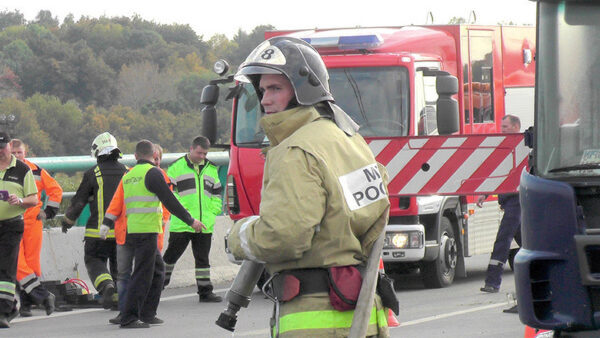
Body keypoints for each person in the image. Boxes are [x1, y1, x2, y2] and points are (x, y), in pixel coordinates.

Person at [226, 37, 391, 337]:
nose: (264, 100)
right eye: (262, 90)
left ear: (304, 89)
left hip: (314, 320)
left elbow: (284, 236)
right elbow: (373, 220)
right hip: (362, 314)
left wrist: (238, 236)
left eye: (275, 89)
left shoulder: (294, 150)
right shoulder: (352, 141)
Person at [103, 140, 203, 328]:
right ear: (154, 156)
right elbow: (170, 201)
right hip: (147, 231)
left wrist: (106, 223)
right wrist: (191, 221)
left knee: (157, 272)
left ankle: (147, 313)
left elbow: (117, 202)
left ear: (135, 156)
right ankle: (130, 317)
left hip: (133, 230)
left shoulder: (129, 176)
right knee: (142, 275)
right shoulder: (153, 173)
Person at [104, 144, 171, 325]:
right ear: (152, 156)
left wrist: (163, 220)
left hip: (141, 232)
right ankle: (128, 315)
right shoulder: (137, 175)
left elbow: (165, 207)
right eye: (154, 158)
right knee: (131, 274)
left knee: (151, 273)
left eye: (159, 160)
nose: (156, 162)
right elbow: (117, 202)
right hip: (134, 231)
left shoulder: (139, 175)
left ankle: (142, 313)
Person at [62, 132, 127, 309]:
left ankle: (106, 286)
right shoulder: (127, 172)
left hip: (97, 232)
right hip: (123, 231)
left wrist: (67, 221)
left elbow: (79, 202)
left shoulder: (93, 173)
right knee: (118, 266)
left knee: (94, 260)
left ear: (97, 153)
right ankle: (116, 301)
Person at [162, 136, 223, 302]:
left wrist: (211, 214)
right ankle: (156, 285)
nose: (202, 156)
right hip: (183, 224)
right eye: (199, 153)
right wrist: (187, 215)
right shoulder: (176, 167)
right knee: (170, 258)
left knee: (203, 260)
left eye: (205, 153)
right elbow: (171, 195)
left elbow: (217, 195)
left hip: (204, 224)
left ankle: (205, 292)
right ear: (191, 148)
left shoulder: (211, 168)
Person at [11, 139, 62, 317]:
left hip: (32, 222)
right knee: (18, 263)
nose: (17, 156)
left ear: (25, 152)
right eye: (14, 153)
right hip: (12, 222)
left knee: (32, 264)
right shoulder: (6, 170)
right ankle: (40, 296)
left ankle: (27, 304)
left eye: (20, 153)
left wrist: (48, 212)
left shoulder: (37, 171)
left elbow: (55, 190)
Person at [479, 115, 522, 301]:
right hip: (510, 201)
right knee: (528, 243)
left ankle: (492, 282)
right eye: (501, 126)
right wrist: (484, 193)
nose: (502, 129)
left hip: (517, 201)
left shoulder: (521, 147)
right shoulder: (505, 147)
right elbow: (498, 174)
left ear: (516, 127)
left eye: (506, 126)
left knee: (502, 240)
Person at [0, 132, 38, 328]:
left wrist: (20, 200)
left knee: (6, 270)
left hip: (12, 224)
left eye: (3, 147)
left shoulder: (22, 170)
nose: (1, 152)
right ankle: (12, 304)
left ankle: (4, 313)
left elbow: (34, 199)